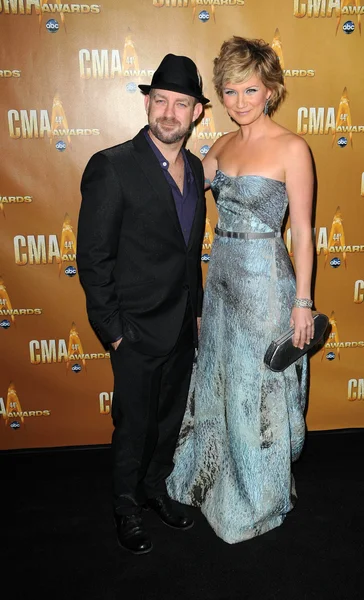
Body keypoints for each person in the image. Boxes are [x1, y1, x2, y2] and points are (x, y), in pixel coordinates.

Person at [167, 37, 315, 544]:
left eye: (250, 89)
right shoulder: (222, 147)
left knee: (258, 392)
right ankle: (213, 479)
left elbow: (303, 234)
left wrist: (302, 304)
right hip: (223, 281)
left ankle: (258, 495)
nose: (240, 101)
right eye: (229, 91)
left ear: (270, 90)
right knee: (218, 383)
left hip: (266, 284)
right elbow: (179, 185)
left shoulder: (293, 148)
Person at [76, 54, 208, 555]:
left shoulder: (195, 169)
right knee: (133, 425)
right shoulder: (112, 167)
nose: (169, 113)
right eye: (160, 101)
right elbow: (93, 257)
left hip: (180, 327)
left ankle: (157, 491)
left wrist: (194, 314)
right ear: (147, 102)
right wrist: (112, 330)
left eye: (181, 103)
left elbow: (186, 250)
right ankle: (126, 507)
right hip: (132, 330)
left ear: (196, 111)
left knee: (170, 420)